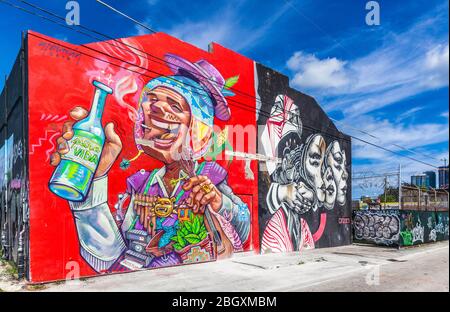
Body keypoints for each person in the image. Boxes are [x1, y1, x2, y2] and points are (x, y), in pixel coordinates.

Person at [50, 54, 250, 272]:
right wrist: (94, 178)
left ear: (198, 130)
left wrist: (220, 202)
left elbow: (244, 229)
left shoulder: (209, 177)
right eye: (152, 99)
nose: (155, 108)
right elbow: (109, 257)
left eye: (174, 105)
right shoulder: (141, 184)